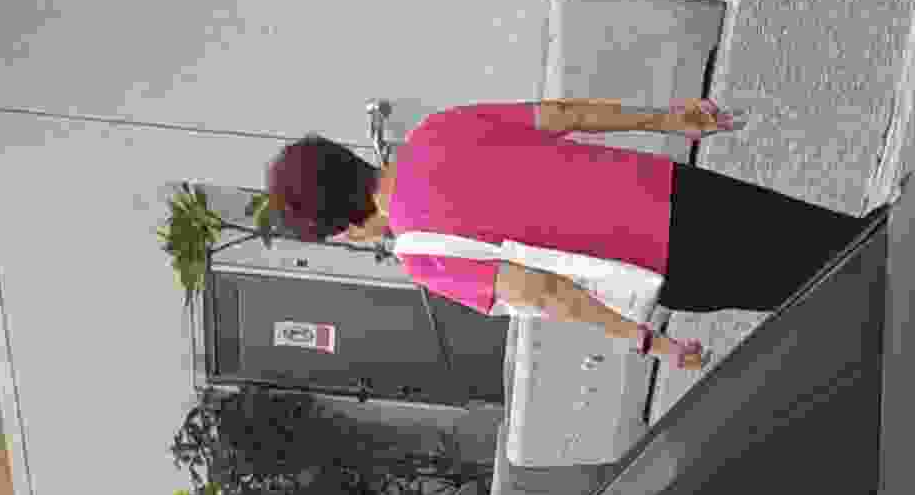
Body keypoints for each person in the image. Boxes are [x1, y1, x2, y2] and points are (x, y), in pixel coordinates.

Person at [261, 97, 871, 378]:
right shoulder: (434, 132)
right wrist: (666, 119)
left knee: (838, 285)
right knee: (841, 239)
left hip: (662, 261)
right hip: (670, 186)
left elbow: (543, 292)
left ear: (343, 228)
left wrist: (647, 341)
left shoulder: (425, 257)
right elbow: (562, 116)